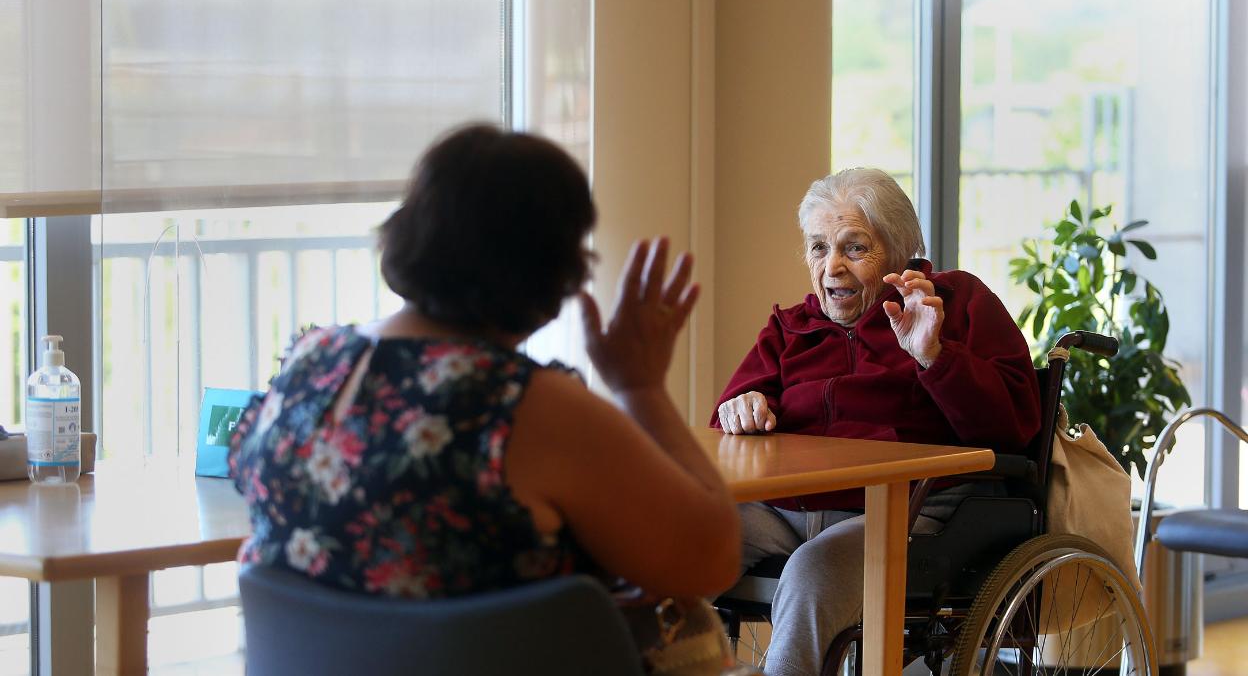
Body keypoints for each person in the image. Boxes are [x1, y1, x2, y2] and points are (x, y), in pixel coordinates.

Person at [229, 124, 740, 605]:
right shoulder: (521, 407)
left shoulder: (309, 361)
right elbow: (711, 564)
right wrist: (640, 387)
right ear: (552, 269)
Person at [711, 168, 1040, 676]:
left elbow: (1014, 425)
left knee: (811, 573)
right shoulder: (791, 327)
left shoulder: (956, 305)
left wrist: (935, 356)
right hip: (785, 510)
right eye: (818, 248)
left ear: (900, 251)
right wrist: (741, 403)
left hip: (906, 513)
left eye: (854, 248)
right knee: (675, 536)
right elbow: (728, 416)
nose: (832, 267)